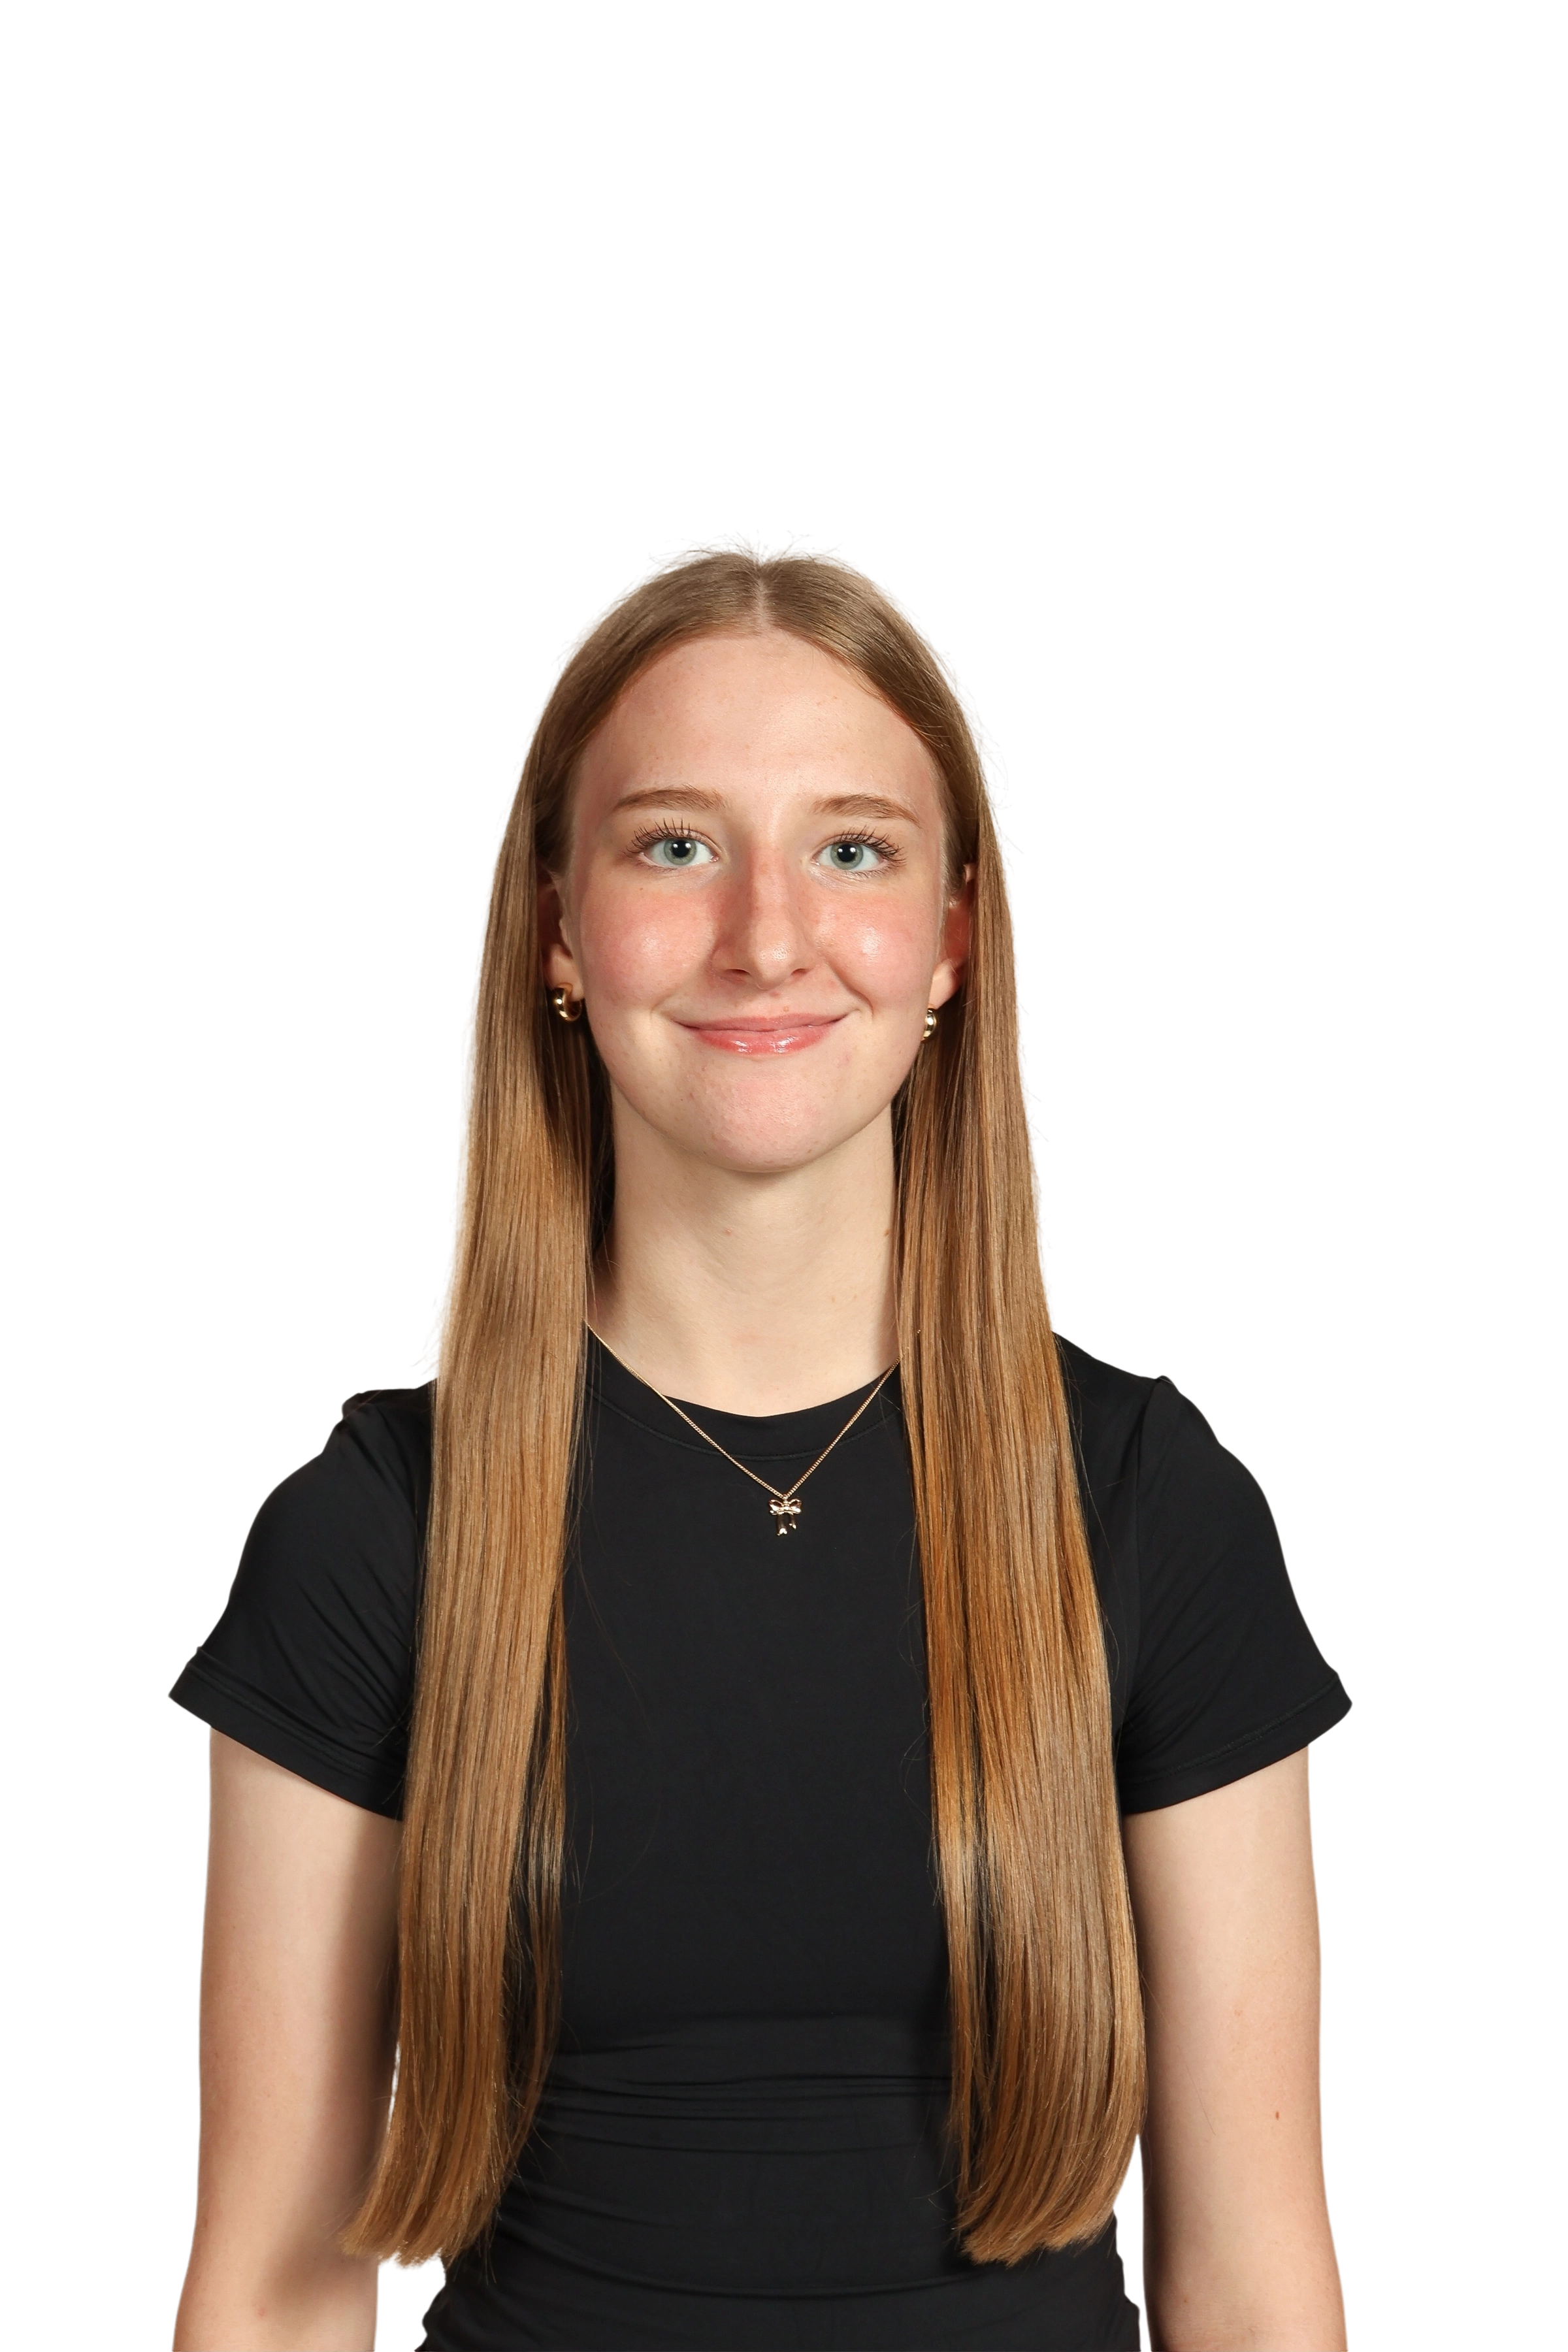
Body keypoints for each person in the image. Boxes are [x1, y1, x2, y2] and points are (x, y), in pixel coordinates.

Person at [165, 531, 1354, 2352]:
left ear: (951, 938)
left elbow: (1258, 2293)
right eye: (675, 845)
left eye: (852, 849)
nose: (768, 936)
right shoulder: (376, 1533)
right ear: (559, 932)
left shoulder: (1145, 1503)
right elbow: (270, 2291)